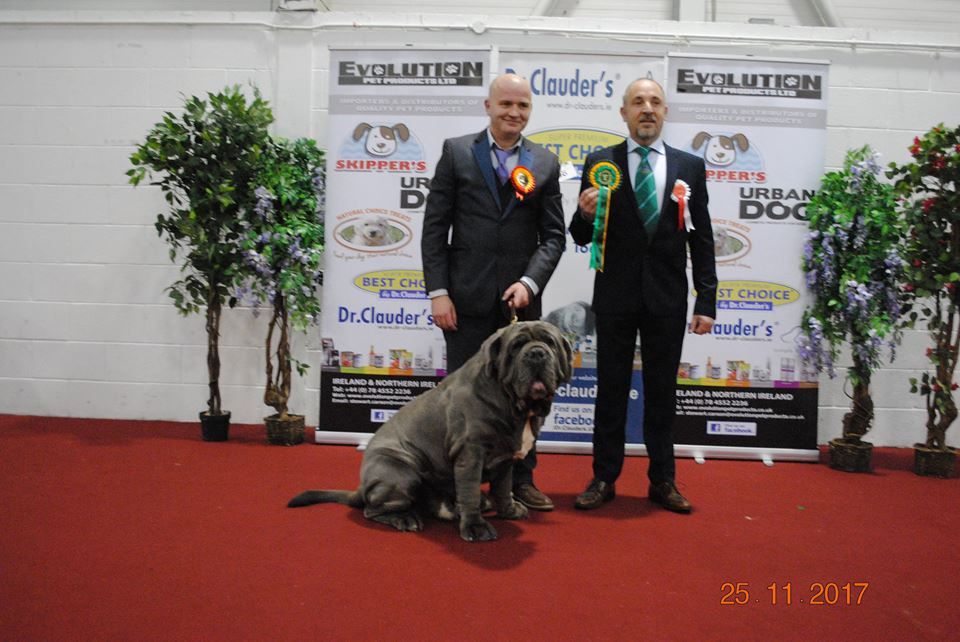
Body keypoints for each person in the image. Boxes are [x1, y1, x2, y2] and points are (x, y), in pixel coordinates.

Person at [568, 78, 717, 514]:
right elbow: (581, 235)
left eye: (654, 102)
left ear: (665, 112)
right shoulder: (601, 162)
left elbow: (702, 239)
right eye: (638, 102)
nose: (647, 108)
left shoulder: (690, 167)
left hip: (667, 299)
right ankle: (603, 477)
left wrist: (706, 299)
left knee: (662, 392)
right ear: (624, 113)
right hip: (614, 295)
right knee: (610, 389)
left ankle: (663, 480)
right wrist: (583, 211)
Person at [421, 73, 566, 511]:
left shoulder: (545, 162)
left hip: (520, 311)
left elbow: (554, 237)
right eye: (506, 104)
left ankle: (521, 481)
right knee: (462, 403)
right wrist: (438, 291)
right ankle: (456, 488)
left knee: (529, 398)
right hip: (463, 303)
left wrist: (528, 282)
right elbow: (434, 228)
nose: (513, 113)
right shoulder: (457, 152)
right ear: (488, 106)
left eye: (522, 106)